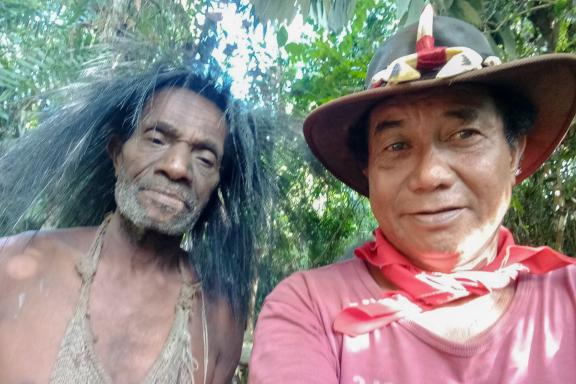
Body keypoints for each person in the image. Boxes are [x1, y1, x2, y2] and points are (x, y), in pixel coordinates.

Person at [250, 5, 576, 383]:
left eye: (464, 134)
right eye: (396, 145)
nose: (429, 175)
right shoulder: (307, 309)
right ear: (368, 170)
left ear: (514, 151)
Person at [0, 64, 271, 383]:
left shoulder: (220, 319)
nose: (177, 167)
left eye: (205, 159)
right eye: (157, 139)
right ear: (116, 153)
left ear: (215, 186)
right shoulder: (14, 262)